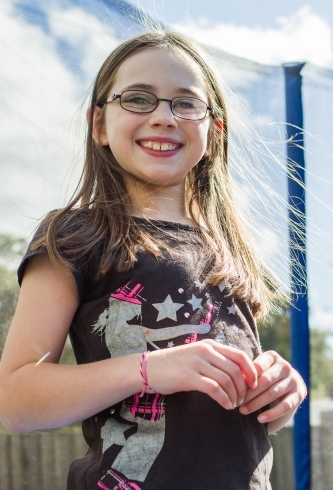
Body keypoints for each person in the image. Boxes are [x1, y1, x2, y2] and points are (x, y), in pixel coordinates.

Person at [0, 31, 306, 489]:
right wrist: (149, 370)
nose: (164, 117)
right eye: (139, 99)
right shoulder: (73, 236)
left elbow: (236, 423)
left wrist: (278, 394)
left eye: (186, 103)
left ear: (214, 131)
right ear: (99, 124)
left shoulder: (231, 250)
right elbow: (15, 401)